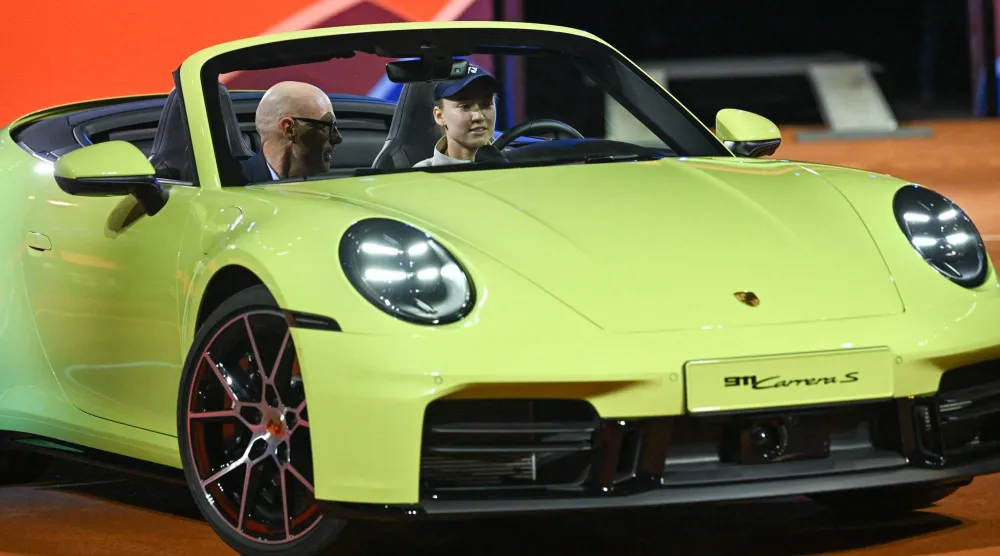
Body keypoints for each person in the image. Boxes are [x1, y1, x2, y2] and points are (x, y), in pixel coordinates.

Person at [241, 81, 343, 182]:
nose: (338, 137)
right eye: (327, 127)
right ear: (289, 128)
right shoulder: (236, 187)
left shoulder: (328, 189)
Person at [413, 63, 502, 168]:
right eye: (465, 106)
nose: (478, 116)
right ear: (439, 116)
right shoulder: (421, 175)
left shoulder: (518, 162)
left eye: (486, 105)